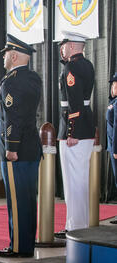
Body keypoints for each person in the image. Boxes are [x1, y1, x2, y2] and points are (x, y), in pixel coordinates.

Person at [0, 34, 42, 258]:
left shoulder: (11, 81)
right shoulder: (33, 78)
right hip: (31, 147)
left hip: (17, 150)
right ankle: (26, 245)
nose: (3, 57)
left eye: (5, 54)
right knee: (28, 200)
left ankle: (19, 247)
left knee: (17, 200)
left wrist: (11, 147)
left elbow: (14, 116)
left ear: (13, 55)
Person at [54, 31, 96, 239]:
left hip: (75, 130)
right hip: (85, 126)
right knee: (79, 178)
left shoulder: (71, 67)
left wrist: (72, 131)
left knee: (74, 180)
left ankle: (76, 227)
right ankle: (77, 223)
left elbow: (75, 101)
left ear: (71, 46)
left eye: (63, 45)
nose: (61, 49)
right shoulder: (87, 64)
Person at [107, 72, 117, 224]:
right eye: (113, 85)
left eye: (116, 85)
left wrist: (115, 149)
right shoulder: (114, 102)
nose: (113, 88)